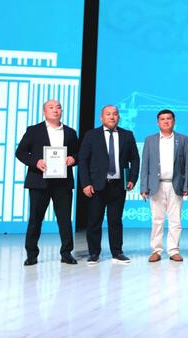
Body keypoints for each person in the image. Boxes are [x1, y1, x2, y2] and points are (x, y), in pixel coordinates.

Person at [15, 99, 79, 266]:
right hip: (39, 182)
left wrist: (73, 159)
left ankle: (66, 253)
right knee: (35, 219)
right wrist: (35, 162)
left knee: (64, 219)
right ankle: (31, 254)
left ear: (62, 111)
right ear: (44, 112)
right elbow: (20, 152)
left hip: (62, 183)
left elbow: (78, 153)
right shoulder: (33, 130)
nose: (55, 110)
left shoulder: (70, 132)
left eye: (58, 107)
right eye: (51, 107)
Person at [78, 105, 140, 265]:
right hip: (96, 185)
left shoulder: (127, 135)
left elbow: (135, 158)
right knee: (94, 221)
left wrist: (132, 178)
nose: (112, 117)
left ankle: (117, 252)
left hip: (118, 185)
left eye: (115, 114)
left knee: (115, 221)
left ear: (119, 117)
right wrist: (85, 183)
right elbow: (83, 160)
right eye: (108, 114)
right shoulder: (91, 135)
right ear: (102, 117)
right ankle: (94, 253)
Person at [139, 109, 188, 263]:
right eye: (162, 119)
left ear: (174, 121)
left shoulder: (183, 139)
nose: (166, 121)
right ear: (158, 122)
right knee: (157, 219)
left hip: (176, 185)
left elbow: (187, 164)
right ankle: (156, 250)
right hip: (156, 185)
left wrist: (186, 185)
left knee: (175, 220)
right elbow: (145, 164)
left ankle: (174, 250)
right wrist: (143, 187)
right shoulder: (150, 140)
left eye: (169, 119)